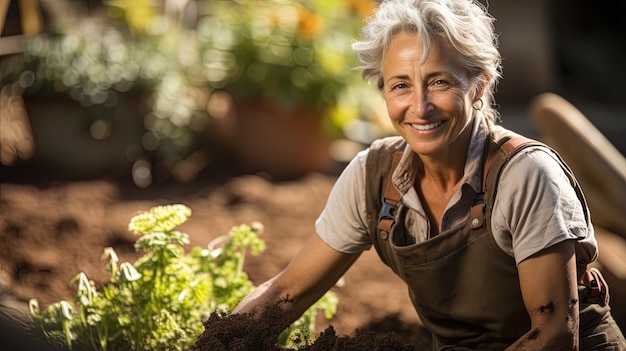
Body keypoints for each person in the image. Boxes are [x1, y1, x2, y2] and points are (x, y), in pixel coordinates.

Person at [232, 0, 626, 349]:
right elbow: (286, 292)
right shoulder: (373, 177)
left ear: (478, 86)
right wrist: (219, 341)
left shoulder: (525, 175)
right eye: (400, 85)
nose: (419, 107)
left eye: (439, 82)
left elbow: (555, 332)